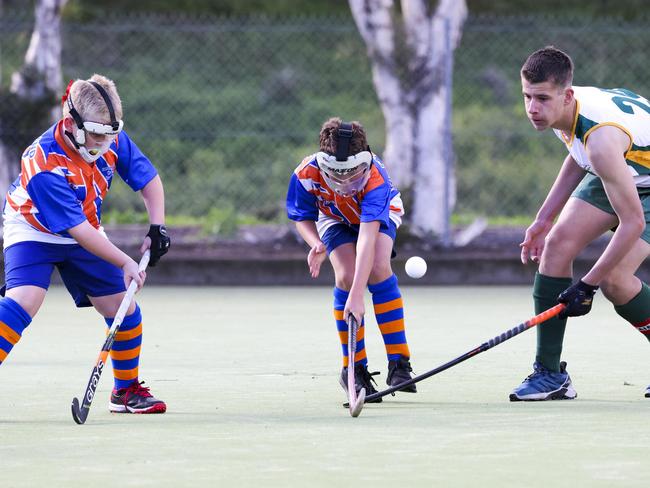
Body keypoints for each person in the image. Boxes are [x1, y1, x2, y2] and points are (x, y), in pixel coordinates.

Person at [0, 74, 171, 414]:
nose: (103, 143)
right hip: (33, 228)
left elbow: (148, 180)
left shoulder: (108, 136)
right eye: (95, 134)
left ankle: (125, 392)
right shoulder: (43, 163)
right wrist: (124, 261)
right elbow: (77, 231)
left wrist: (157, 225)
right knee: (25, 299)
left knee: (122, 307)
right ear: (70, 122)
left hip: (84, 227)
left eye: (110, 134)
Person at [511, 46, 650, 401]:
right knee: (556, 246)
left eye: (541, 99)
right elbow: (579, 155)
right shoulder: (565, 110)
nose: (532, 108)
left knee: (617, 283)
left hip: (635, 176)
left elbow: (631, 222)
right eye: (527, 96)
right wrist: (544, 219)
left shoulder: (601, 139)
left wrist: (586, 286)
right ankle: (550, 374)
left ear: (566, 95)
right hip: (626, 170)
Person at [286, 117, 416, 401]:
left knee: (379, 267)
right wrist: (317, 244)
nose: (345, 182)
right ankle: (353, 369)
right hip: (333, 219)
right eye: (336, 174)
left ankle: (399, 362)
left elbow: (367, 240)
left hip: (376, 217)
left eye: (353, 173)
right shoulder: (306, 173)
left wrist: (358, 295)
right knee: (344, 275)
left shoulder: (376, 179)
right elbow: (302, 217)